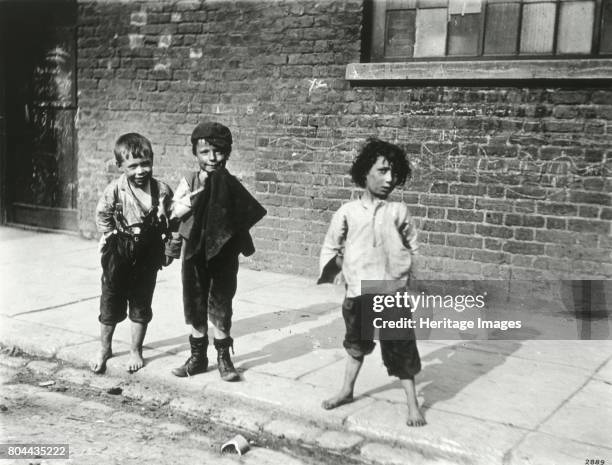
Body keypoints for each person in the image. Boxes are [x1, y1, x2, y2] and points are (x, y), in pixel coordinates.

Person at [317, 137, 426, 426]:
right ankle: (346, 390)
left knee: (400, 345)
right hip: (359, 293)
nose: (388, 179)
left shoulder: (398, 211)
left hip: (391, 292)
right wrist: (344, 268)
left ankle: (413, 404)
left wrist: (407, 276)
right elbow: (331, 246)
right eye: (382, 171)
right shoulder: (348, 212)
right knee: (356, 343)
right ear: (365, 172)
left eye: (393, 173)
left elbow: (413, 247)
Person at [167, 121, 266, 382]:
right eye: (205, 152)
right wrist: (197, 193)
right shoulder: (189, 180)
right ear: (195, 154)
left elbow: (243, 215)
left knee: (221, 302)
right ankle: (198, 357)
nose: (212, 158)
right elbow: (174, 211)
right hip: (193, 250)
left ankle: (224, 357)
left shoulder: (231, 183)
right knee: (194, 299)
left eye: (219, 152)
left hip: (223, 252)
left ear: (228, 153)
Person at [91, 133, 173, 374]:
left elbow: (173, 221)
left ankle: (135, 349)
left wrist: (168, 247)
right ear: (120, 166)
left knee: (141, 302)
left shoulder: (161, 190)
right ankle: (104, 347)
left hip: (148, 255)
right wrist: (108, 237)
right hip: (120, 252)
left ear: (152, 161)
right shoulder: (115, 190)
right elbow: (102, 215)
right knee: (110, 300)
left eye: (145, 164)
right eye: (133, 166)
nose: (140, 171)